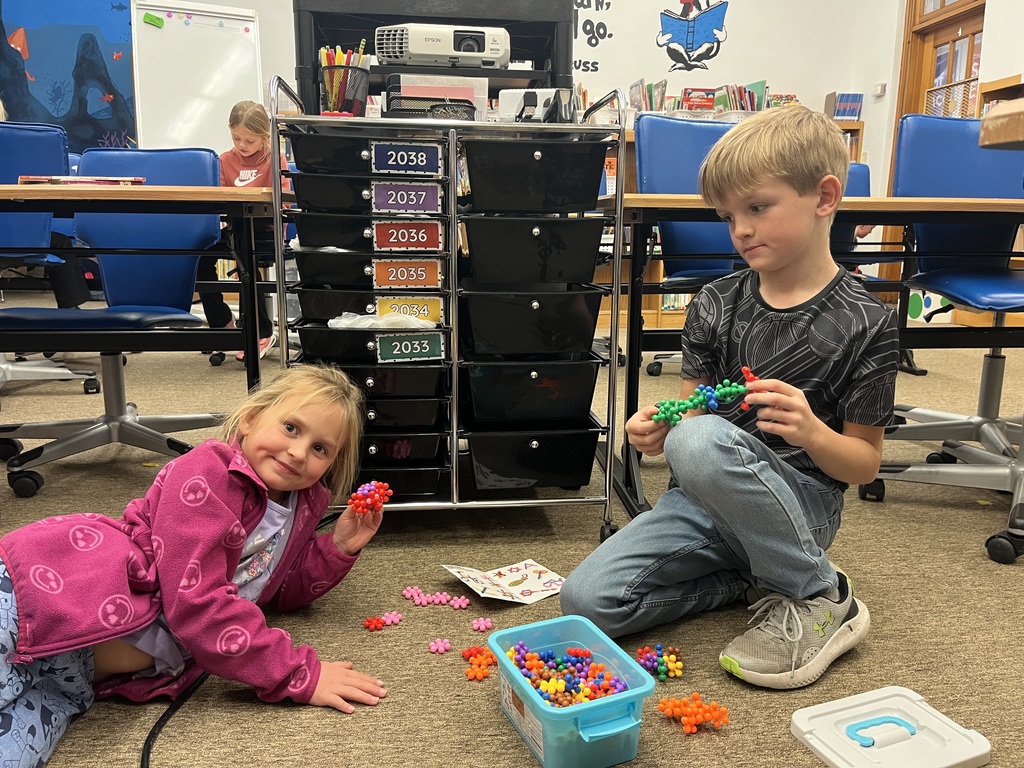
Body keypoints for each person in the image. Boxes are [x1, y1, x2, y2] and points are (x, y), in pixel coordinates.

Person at [560, 106, 899, 690]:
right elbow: (690, 419)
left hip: (802, 506)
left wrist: (814, 432)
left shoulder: (868, 321)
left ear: (824, 197)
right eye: (727, 216)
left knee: (701, 436)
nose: (739, 229)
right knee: (586, 601)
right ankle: (757, 580)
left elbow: (864, 463)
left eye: (757, 208)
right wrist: (657, 433)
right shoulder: (715, 302)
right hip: (701, 503)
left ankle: (819, 593)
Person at [0, 364, 388, 764]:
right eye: (291, 428)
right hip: (42, 596)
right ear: (252, 419)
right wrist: (296, 673)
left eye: (320, 448)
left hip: (72, 677)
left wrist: (338, 547)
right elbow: (196, 604)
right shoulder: (208, 474)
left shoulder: (302, 506)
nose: (298, 451)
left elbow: (276, 590)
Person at [197, 100, 287, 362]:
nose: (242, 146)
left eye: (249, 140)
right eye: (237, 138)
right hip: (235, 229)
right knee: (200, 255)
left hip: (266, 232)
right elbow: (220, 200)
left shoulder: (274, 159)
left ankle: (262, 331)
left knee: (244, 254)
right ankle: (222, 321)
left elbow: (285, 199)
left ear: (264, 136)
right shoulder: (224, 160)